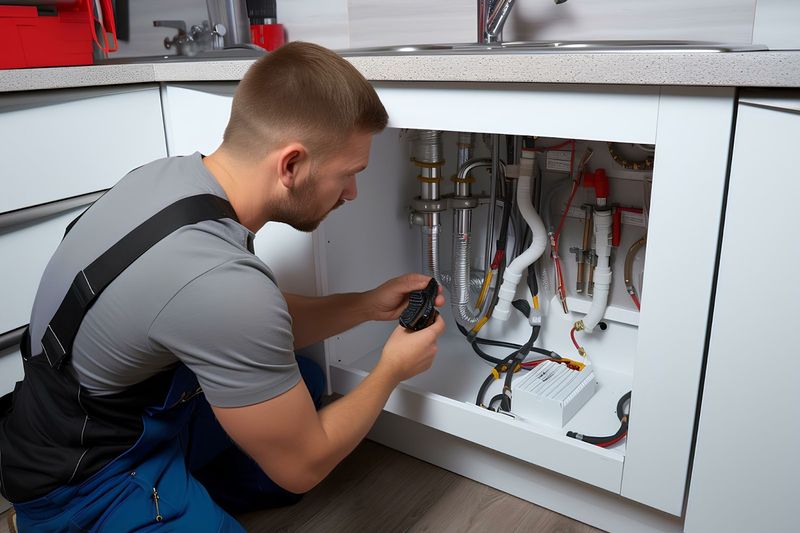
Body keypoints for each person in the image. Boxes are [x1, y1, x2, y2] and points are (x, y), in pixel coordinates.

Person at [0, 41, 445, 532]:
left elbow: (244, 325)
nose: (352, 193)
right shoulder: (222, 284)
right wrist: (391, 370)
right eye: (349, 174)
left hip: (97, 410)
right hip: (82, 478)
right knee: (292, 453)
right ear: (291, 165)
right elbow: (304, 467)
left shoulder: (173, 178)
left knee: (305, 382)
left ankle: (182, 486)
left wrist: (365, 307)